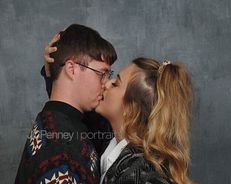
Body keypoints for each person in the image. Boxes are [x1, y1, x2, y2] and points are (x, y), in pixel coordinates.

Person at [15, 24, 117, 184]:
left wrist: (51, 76)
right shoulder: (61, 152)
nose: (106, 83)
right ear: (71, 68)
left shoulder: (62, 121)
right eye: (101, 74)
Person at [95, 58, 193, 184]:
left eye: (115, 84)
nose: (106, 84)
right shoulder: (114, 149)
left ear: (131, 109)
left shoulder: (141, 174)